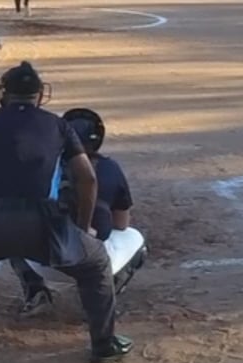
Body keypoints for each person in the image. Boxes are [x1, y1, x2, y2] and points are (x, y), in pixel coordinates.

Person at [0, 62, 132, 363]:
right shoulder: (58, 125)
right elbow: (88, 178)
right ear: (39, 95)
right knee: (95, 264)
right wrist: (81, 229)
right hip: (45, 225)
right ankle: (103, 345)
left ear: (3, 93)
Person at [10, 107, 146, 316]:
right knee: (134, 237)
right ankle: (99, 299)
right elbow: (121, 224)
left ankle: (35, 291)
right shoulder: (109, 168)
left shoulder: (40, 165)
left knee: (11, 227)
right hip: (92, 262)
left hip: (42, 261)